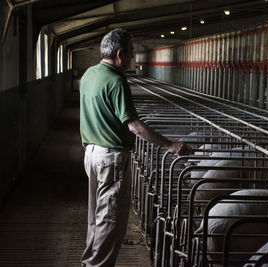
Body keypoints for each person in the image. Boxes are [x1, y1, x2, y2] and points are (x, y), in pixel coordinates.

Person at [79, 28, 192, 267]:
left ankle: (89, 261)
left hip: (91, 155)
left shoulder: (89, 74)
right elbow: (134, 126)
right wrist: (169, 144)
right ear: (119, 54)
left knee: (96, 218)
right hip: (111, 158)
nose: (131, 57)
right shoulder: (117, 81)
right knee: (110, 221)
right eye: (130, 53)